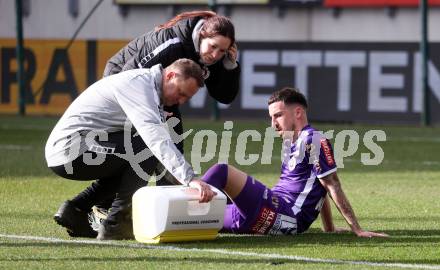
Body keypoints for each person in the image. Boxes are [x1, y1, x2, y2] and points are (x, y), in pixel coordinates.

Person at [45, 58, 217, 240]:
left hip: (75, 147)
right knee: (144, 149)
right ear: (171, 75)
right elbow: (156, 140)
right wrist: (189, 178)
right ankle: (117, 223)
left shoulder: (149, 88)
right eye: (180, 93)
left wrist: (181, 187)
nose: (180, 101)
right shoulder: (140, 86)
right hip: (69, 150)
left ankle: (76, 210)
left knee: (136, 156)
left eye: (186, 98)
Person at [200, 87, 388, 237]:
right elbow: (319, 186)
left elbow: (332, 185)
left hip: (284, 213)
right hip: (264, 216)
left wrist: (357, 229)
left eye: (278, 115)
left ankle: (189, 192)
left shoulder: (313, 139)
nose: (273, 123)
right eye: (271, 117)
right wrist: (329, 228)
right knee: (196, 221)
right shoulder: (291, 142)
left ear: (298, 112)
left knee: (221, 171)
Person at [104, 10, 239, 187]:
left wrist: (230, 66)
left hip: (162, 97)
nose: (215, 55)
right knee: (138, 147)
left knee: (173, 148)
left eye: (222, 50)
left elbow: (225, 96)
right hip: (120, 81)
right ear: (202, 34)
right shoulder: (172, 44)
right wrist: (154, 111)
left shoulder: (213, 58)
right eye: (213, 46)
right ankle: (102, 205)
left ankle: (169, 204)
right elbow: (127, 77)